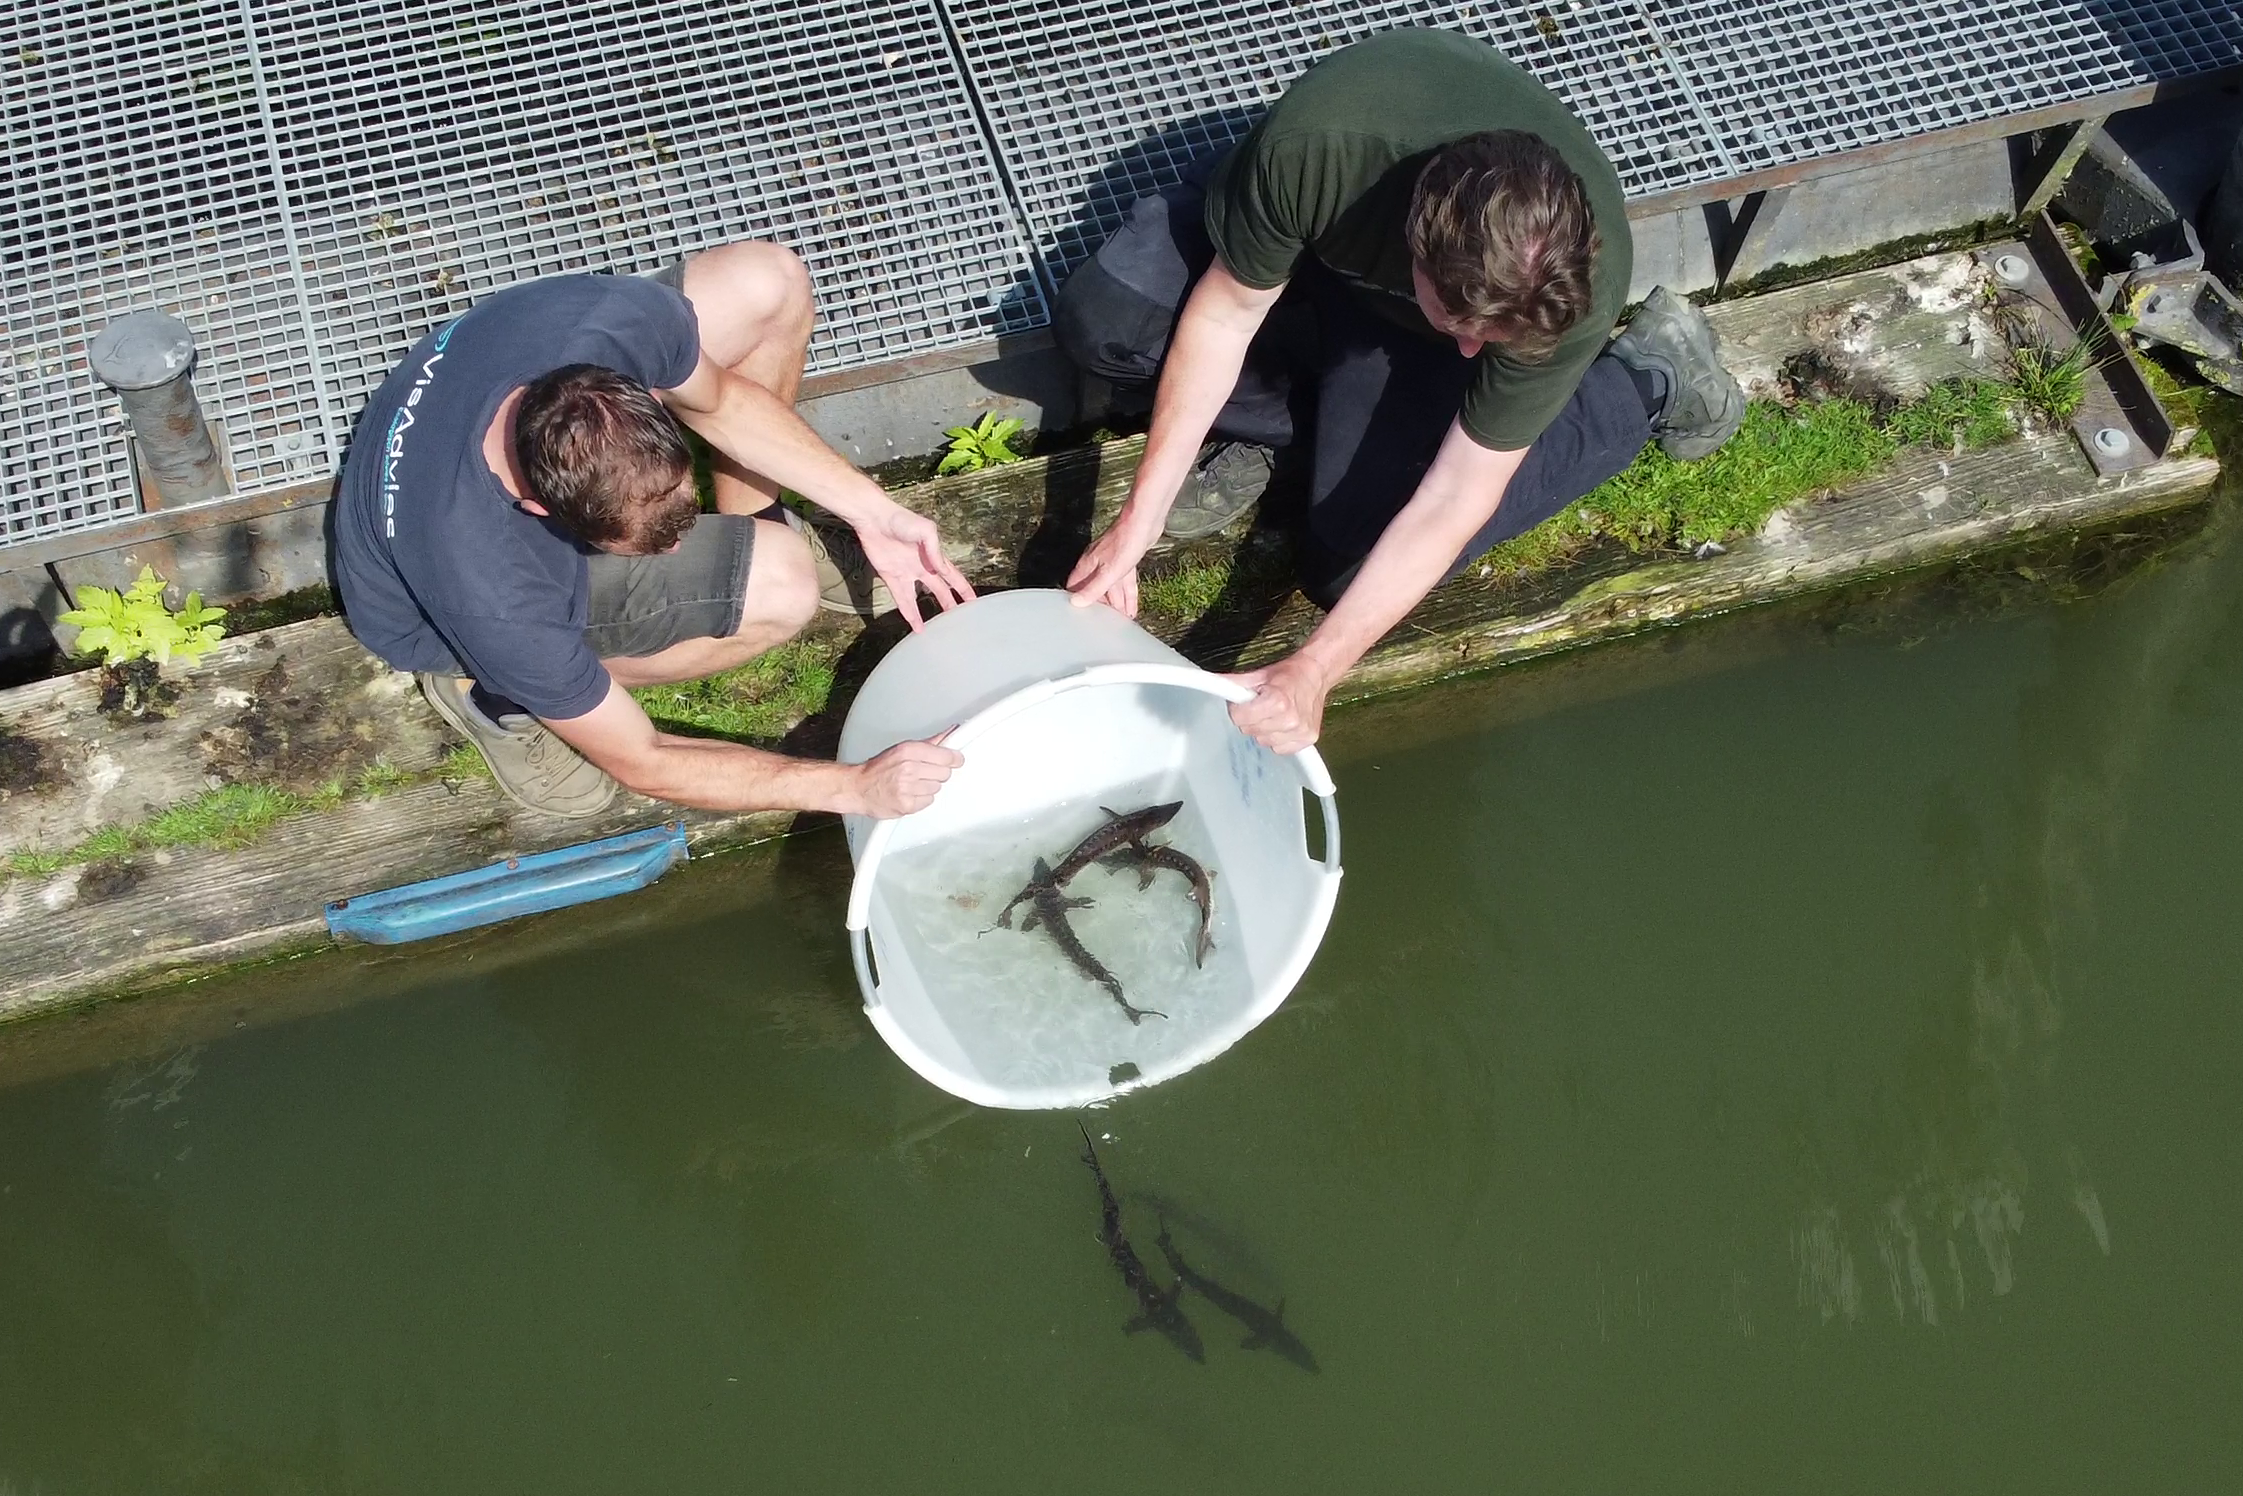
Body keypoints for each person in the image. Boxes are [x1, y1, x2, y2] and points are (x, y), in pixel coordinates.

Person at [1055, 28, 1746, 753]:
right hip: (1315, 237)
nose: (1476, 352)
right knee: (1108, 321)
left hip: (1405, 340)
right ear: (1415, 244)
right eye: (1465, 327)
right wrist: (1141, 517)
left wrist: (1316, 668)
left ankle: (1647, 376)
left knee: (1355, 569)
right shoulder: (1320, 148)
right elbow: (1226, 314)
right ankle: (1307, 432)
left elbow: (1456, 493)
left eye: (1491, 341)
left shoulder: (1561, 291)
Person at [332, 244, 971, 819]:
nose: (674, 545)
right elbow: (644, 757)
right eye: (647, 543)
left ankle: (758, 522)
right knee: (782, 591)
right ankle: (497, 690)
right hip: (426, 614)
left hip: (455, 444)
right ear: (540, 511)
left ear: (633, 393)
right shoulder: (495, 587)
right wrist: (851, 788)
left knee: (767, 283)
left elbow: (718, 401)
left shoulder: (608, 324)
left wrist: (875, 511)